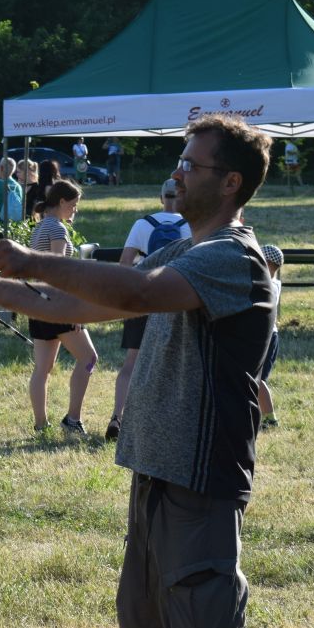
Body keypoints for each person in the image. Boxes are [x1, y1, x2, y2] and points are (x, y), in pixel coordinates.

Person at [0, 114, 274, 628]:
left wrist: (32, 261)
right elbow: (88, 305)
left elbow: (138, 293)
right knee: (156, 624)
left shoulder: (234, 257)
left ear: (231, 181)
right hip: (154, 465)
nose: (177, 174)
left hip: (201, 476)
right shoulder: (188, 250)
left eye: (191, 164)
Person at [105, 179, 191, 442]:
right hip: (174, 299)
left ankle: (117, 416)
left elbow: (125, 263)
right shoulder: (190, 226)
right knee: (175, 364)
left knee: (131, 363)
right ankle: (166, 423)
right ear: (182, 196)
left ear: (161, 197)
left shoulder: (142, 224)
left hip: (143, 297)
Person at [27, 180, 97, 434]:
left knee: (42, 369)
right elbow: (57, 272)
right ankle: (72, 419)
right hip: (57, 305)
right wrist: (73, 309)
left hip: (38, 304)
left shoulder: (40, 227)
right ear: (62, 202)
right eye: (74, 205)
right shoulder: (57, 229)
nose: (75, 210)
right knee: (89, 358)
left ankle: (40, 424)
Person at [258, 245, 283, 429]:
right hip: (269, 335)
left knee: (258, 379)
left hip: (265, 336)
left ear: (266, 263)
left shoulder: (266, 284)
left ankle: (271, 418)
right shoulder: (274, 283)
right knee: (256, 379)